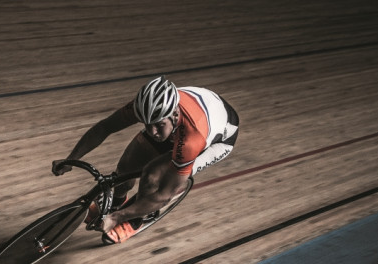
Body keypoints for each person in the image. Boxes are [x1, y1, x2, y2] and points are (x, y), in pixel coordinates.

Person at [53, 76, 239, 244]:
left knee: (152, 176)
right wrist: (71, 159)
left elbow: (165, 195)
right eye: (146, 125)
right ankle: (117, 202)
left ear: (174, 114)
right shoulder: (148, 108)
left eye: (158, 125)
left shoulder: (192, 137)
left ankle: (135, 219)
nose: (153, 132)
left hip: (217, 139)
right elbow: (104, 127)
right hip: (195, 115)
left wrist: (117, 217)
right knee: (126, 168)